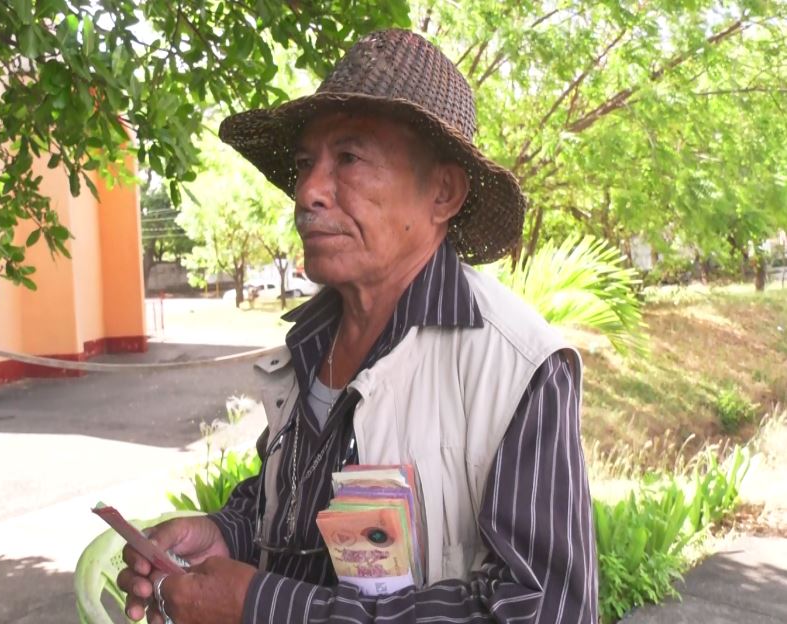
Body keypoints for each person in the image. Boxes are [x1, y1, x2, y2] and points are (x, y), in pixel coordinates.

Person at [118, 29, 598, 624]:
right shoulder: (310, 341)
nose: (308, 192)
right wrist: (227, 535)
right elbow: (293, 502)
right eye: (303, 164)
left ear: (442, 192)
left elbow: (544, 611)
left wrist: (259, 606)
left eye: (348, 158)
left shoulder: (518, 369)